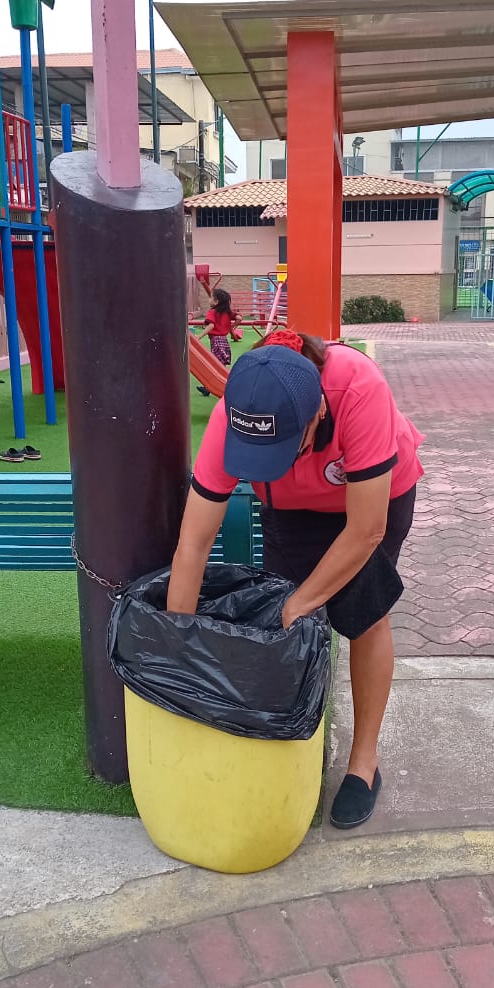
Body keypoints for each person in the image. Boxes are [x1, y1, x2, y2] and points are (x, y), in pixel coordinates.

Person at [167, 329, 425, 829]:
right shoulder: (233, 413)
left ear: (318, 413)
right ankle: (288, 736)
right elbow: (193, 543)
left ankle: (364, 762)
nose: (272, 463)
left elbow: (366, 530)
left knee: (364, 615)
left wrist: (299, 603)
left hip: (371, 500)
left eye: (285, 447)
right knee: (285, 625)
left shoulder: (357, 388)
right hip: (291, 509)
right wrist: (181, 646)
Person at [196, 287, 242, 397]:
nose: (209, 299)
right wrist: (232, 326)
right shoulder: (227, 313)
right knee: (220, 364)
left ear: (216, 301)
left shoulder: (212, 312)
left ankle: (223, 386)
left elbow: (211, 326)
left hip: (216, 341)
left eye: (210, 297)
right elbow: (239, 318)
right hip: (224, 341)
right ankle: (208, 388)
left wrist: (199, 337)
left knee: (215, 365)